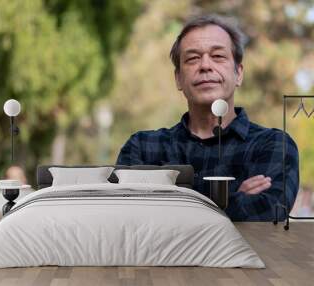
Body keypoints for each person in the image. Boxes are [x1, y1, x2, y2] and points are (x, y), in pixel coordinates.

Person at [116, 14, 299, 221]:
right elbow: (128, 216)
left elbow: (269, 211)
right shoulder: (142, 147)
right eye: (193, 58)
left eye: (218, 56)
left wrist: (171, 202)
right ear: (178, 78)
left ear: (238, 73)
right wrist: (233, 198)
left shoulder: (273, 145)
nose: (205, 65)